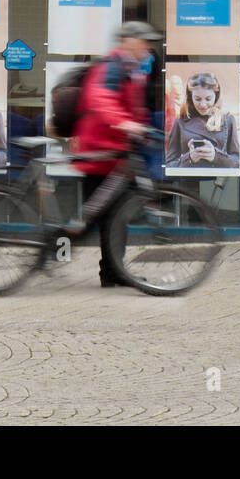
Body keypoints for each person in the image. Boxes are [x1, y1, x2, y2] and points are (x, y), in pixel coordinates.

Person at [66, 21, 162, 287]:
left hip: (117, 153)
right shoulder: (112, 66)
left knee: (114, 216)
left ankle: (112, 271)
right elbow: (101, 99)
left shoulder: (132, 70)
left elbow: (130, 107)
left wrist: (141, 127)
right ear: (127, 41)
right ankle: (55, 250)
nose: (148, 47)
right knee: (97, 216)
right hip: (98, 151)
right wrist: (126, 123)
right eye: (144, 41)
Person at [164, 72, 240, 169]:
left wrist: (216, 157)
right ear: (191, 97)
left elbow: (237, 162)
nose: (203, 104)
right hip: (189, 181)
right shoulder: (180, 121)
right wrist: (190, 158)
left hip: (218, 181)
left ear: (216, 96)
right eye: (197, 99)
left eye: (208, 99)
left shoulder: (227, 120)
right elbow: (169, 164)